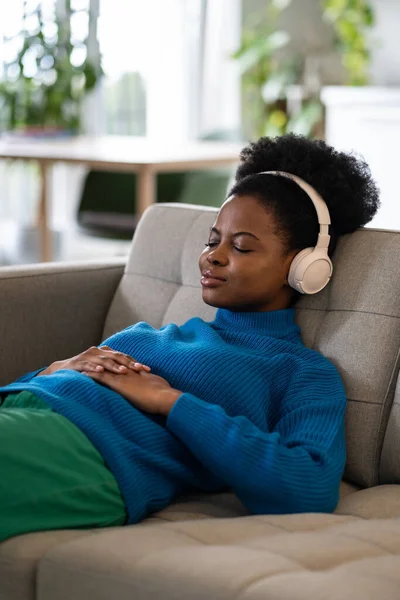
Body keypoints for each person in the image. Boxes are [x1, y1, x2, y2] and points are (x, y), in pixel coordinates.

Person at [0, 134, 380, 542]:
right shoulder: (162, 333)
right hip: (24, 411)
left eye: (241, 247)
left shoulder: (302, 373)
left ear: (305, 266)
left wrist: (169, 401)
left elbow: (310, 485)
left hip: (86, 451)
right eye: (213, 240)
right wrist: (56, 368)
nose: (213, 256)